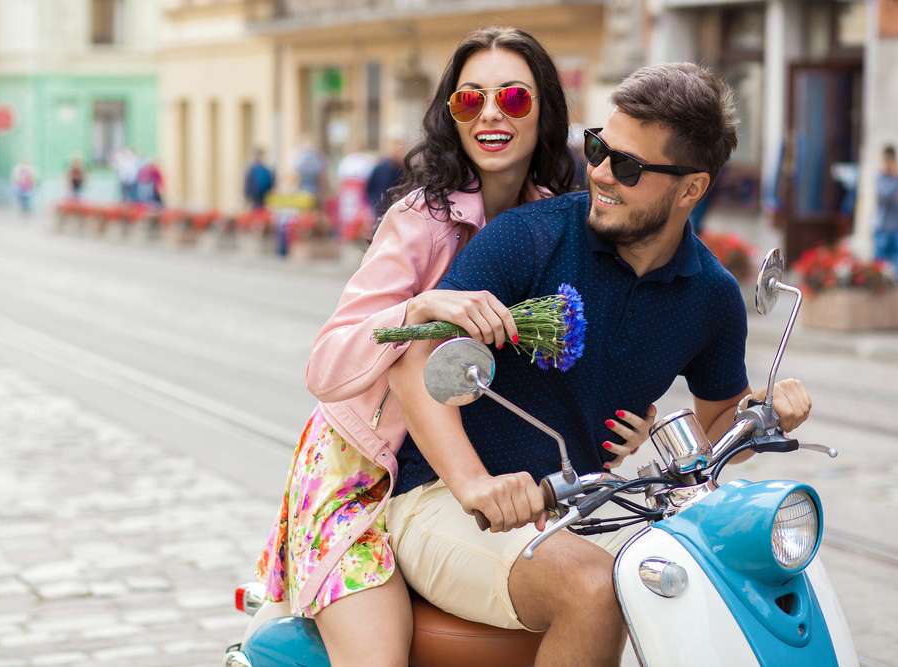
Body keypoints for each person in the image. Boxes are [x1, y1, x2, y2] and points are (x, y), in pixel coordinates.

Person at [386, 62, 813, 666]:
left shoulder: (711, 296)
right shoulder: (530, 239)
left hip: (574, 510)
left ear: (691, 188)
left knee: (691, 578)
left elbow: (721, 427)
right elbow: (414, 365)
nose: (602, 174)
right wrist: (475, 485)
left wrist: (766, 411)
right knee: (594, 588)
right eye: (598, 149)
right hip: (442, 501)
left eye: (629, 166)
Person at [253, 27, 656, 667]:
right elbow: (325, 364)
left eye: (514, 100)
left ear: (546, 110)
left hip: (468, 479)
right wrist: (417, 307)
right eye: (470, 102)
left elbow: (578, 350)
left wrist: (632, 419)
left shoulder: (556, 223)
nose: (491, 115)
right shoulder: (421, 220)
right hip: (362, 480)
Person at [874, 144, 898, 281]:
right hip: (882, 227)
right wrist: (897, 179)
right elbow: (884, 196)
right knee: (880, 267)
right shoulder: (880, 177)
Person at [365, 137, 405, 218]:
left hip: (397, 208)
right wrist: (374, 203)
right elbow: (369, 188)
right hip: (380, 208)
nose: (398, 151)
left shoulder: (404, 169)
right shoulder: (380, 167)